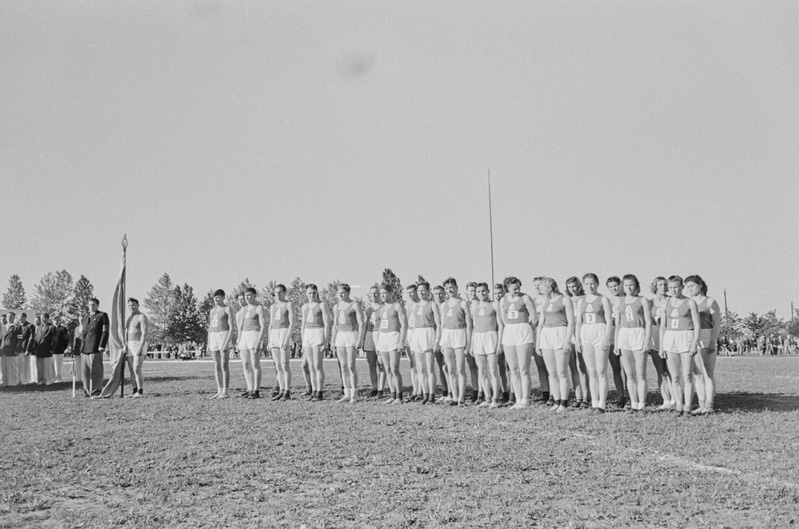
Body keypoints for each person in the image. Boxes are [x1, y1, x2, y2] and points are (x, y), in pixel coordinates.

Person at [659, 276, 701, 417]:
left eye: (676, 287)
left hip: (686, 337)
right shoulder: (665, 302)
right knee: (674, 376)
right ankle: (678, 405)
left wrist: (695, 342)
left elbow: (697, 325)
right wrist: (661, 346)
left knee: (687, 375)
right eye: (670, 287)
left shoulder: (690, 302)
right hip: (671, 338)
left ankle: (687, 407)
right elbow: (663, 326)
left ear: (681, 287)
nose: (673, 290)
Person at [575, 273, 614, 412]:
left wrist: (606, 338)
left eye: (592, 283)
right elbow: (579, 322)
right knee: (591, 371)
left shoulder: (603, 299)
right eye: (587, 284)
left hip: (600, 332)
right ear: (583, 285)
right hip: (586, 333)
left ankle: (602, 403)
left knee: (601, 371)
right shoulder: (580, 301)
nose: (590, 286)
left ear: (597, 284)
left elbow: (609, 321)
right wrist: (578, 339)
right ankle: (594, 402)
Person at [614, 275, 652, 412]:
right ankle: (633, 402)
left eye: (631, 285)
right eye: (626, 285)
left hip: (638, 334)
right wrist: (616, 343)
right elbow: (617, 323)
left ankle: (641, 404)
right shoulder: (619, 301)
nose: (629, 288)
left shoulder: (643, 300)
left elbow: (648, 322)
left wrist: (647, 341)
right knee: (629, 374)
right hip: (624, 335)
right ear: (622, 287)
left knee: (640, 373)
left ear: (636, 285)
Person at [536, 278, 574, 412]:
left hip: (560, 333)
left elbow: (571, 322)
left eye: (541, 287)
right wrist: (538, 342)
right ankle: (556, 401)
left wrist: (567, 340)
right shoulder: (545, 302)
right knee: (551, 372)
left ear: (550, 287)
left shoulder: (565, 300)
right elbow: (540, 323)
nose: (539, 290)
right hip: (547, 335)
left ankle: (564, 402)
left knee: (562, 371)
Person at [499, 277, 537, 409]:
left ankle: (525, 400)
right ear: (507, 288)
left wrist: (527, 329)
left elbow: (534, 317)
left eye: (518, 287)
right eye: (514, 288)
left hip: (523, 331)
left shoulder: (525, 298)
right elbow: (503, 318)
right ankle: (518, 399)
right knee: (513, 370)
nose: (517, 290)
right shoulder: (503, 300)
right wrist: (510, 328)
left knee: (523, 369)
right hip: (509, 331)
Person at [685, 275, 721, 415]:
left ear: (700, 285)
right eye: (687, 287)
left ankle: (709, 405)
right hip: (692, 338)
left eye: (692, 286)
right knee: (698, 374)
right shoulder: (688, 302)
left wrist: (712, 341)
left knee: (708, 373)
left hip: (707, 336)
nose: (690, 289)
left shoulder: (710, 301)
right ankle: (701, 404)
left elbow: (716, 324)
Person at [440, 278, 472, 406]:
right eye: (447, 288)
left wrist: (468, 343)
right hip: (447, 335)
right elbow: (442, 324)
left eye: (451, 287)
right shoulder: (443, 305)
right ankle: (454, 396)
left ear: (457, 287)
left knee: (460, 368)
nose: (450, 290)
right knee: (450, 368)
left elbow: (469, 324)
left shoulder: (463, 303)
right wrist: (441, 342)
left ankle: (461, 398)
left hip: (459, 334)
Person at [332, 283, 364, 404]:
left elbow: (361, 323)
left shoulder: (354, 304)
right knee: (343, 366)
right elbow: (335, 325)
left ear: (348, 293)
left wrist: (360, 339)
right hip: (340, 336)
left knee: (351, 365)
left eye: (343, 293)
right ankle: (346, 393)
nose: (341, 295)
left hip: (351, 334)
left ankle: (354, 393)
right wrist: (333, 340)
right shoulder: (336, 307)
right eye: (339, 293)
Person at [472, 282, 503, 408]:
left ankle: (496, 397)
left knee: (493, 370)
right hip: (478, 337)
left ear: (488, 291)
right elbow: (474, 326)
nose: (481, 293)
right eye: (478, 291)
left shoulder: (494, 305)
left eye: (483, 291)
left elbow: (500, 324)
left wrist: (499, 343)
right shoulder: (475, 306)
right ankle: (487, 397)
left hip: (491, 336)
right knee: (482, 370)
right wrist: (472, 344)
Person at [376, 283, 408, 404]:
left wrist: (401, 341)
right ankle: (392, 395)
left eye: (385, 293)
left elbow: (404, 324)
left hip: (394, 336)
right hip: (383, 337)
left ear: (390, 293)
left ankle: (399, 396)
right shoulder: (382, 308)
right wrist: (378, 341)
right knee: (387, 369)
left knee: (394, 368)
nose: (383, 296)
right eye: (381, 293)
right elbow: (380, 326)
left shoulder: (397, 306)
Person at [411, 281, 442, 404]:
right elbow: (414, 324)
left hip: (428, 333)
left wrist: (437, 341)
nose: (421, 293)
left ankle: (431, 395)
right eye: (419, 291)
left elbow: (439, 324)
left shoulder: (432, 304)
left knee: (430, 368)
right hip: (417, 334)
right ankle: (424, 394)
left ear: (428, 291)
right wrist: (413, 340)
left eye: (423, 290)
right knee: (420, 368)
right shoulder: (415, 306)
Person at [301, 284, 330, 401]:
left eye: (314, 293)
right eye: (309, 293)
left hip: (318, 332)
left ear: (317, 293)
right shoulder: (304, 306)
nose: (312, 295)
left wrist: (325, 340)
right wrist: (303, 340)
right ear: (306, 294)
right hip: (308, 334)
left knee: (318, 365)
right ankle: (313, 390)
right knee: (311, 365)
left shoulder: (322, 305)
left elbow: (327, 323)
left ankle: (320, 391)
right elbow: (303, 324)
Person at [649, 277, 673, 410]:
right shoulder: (650, 302)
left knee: (671, 371)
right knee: (661, 371)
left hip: (669, 334)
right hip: (655, 335)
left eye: (665, 284)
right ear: (655, 286)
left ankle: (675, 398)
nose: (663, 287)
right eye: (660, 284)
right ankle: (666, 400)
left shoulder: (671, 300)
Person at [238, 287, 266, 399]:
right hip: (244, 335)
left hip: (254, 334)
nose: (247, 297)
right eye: (246, 296)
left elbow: (263, 326)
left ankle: (256, 389)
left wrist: (259, 341)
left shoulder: (259, 308)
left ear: (254, 296)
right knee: (245, 364)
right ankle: (250, 388)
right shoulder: (243, 310)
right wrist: (239, 340)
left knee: (255, 364)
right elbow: (240, 326)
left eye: (250, 295)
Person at [565, 277, 589, 408]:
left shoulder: (584, 298)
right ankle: (578, 396)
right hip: (570, 335)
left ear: (579, 286)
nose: (572, 289)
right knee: (573, 367)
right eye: (569, 287)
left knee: (582, 368)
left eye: (574, 286)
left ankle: (586, 397)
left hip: (582, 335)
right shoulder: (566, 300)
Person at [268, 284, 295, 401]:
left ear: (284, 293)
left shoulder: (289, 305)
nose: (278, 295)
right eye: (276, 293)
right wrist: (269, 340)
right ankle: (281, 389)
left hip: (284, 333)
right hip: (274, 333)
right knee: (278, 365)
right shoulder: (273, 307)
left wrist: (287, 338)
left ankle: (287, 391)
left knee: (285, 364)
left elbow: (292, 323)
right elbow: (271, 324)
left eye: (280, 292)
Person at [606, 276, 629, 408]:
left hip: (624, 335)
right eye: (610, 287)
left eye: (615, 286)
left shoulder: (627, 299)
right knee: (616, 368)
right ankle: (621, 396)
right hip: (612, 336)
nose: (614, 289)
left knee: (628, 369)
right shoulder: (608, 301)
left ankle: (630, 394)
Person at [208, 289, 234, 399]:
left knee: (224, 364)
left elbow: (232, 327)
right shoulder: (212, 311)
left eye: (218, 297)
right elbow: (209, 328)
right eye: (214, 297)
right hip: (214, 335)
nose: (216, 299)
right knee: (216, 365)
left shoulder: (227, 309)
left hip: (223, 334)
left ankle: (225, 391)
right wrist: (208, 342)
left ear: (223, 297)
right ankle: (219, 390)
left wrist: (227, 342)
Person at [80, 298, 109, 397]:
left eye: (93, 305)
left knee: (96, 371)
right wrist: (81, 347)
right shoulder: (85, 318)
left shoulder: (102, 316)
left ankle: (96, 391)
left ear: (97, 305)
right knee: (85, 371)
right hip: (85, 348)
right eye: (90, 305)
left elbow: (105, 331)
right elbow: (83, 334)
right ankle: (87, 391)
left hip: (96, 346)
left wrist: (102, 345)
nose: (91, 307)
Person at [363, 285, 387, 398]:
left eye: (376, 293)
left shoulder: (384, 307)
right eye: (372, 293)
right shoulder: (368, 309)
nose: (374, 295)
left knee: (381, 364)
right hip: (369, 335)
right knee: (371, 364)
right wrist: (362, 340)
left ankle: (381, 389)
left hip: (381, 335)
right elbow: (364, 325)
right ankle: (374, 388)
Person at [530, 277, 551, 405]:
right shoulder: (533, 301)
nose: (538, 287)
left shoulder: (550, 299)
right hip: (536, 335)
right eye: (536, 285)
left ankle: (556, 393)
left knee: (551, 367)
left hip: (549, 333)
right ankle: (545, 393)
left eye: (540, 285)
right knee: (541, 367)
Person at [123, 298, 149, 397]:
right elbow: (126, 332)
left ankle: (140, 390)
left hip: (138, 343)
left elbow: (144, 333)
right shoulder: (129, 318)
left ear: (138, 305)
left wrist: (140, 347)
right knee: (131, 369)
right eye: (129, 305)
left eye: (133, 305)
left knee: (136, 368)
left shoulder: (141, 317)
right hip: (129, 344)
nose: (131, 307)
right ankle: (134, 390)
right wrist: (125, 344)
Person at [432, 285, 452, 401]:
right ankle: (445, 392)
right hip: (435, 338)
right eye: (436, 294)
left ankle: (451, 391)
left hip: (446, 338)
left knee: (448, 366)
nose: (438, 296)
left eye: (440, 293)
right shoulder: (432, 306)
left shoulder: (447, 306)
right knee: (441, 366)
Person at [404, 284, 422, 401]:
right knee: (412, 364)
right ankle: (415, 389)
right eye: (408, 293)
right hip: (409, 333)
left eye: (412, 292)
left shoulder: (421, 304)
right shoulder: (408, 305)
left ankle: (421, 389)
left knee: (420, 364)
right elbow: (405, 322)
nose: (411, 294)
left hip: (418, 333)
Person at [464, 281, 482, 402]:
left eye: (475, 290)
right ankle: (475, 390)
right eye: (471, 291)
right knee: (471, 366)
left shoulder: (480, 304)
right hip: (466, 335)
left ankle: (482, 391)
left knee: (480, 366)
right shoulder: (465, 304)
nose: (473, 293)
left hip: (478, 334)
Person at [493, 283, 510, 403]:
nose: (498, 295)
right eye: (495, 293)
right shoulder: (493, 305)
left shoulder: (506, 303)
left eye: (500, 293)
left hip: (508, 336)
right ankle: (504, 391)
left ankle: (513, 392)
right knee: (501, 367)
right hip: (496, 337)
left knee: (511, 367)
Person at [33, 313, 57, 385]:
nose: (43, 319)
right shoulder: (39, 327)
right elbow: (36, 339)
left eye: (44, 318)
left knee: (47, 366)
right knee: (39, 366)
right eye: (42, 318)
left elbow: (54, 340)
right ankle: (40, 380)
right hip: (39, 348)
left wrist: (52, 349)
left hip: (47, 349)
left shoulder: (52, 327)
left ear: (48, 318)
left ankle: (48, 380)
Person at [1, 313, 20, 386]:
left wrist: (17, 350)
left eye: (11, 317)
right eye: (8, 317)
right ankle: (5, 382)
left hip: (12, 350)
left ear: (14, 317)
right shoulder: (3, 327)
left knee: (12, 367)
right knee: (3, 367)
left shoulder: (17, 327)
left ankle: (13, 383)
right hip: (3, 350)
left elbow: (20, 340)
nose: (9, 318)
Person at [17, 313, 35, 384]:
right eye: (19, 318)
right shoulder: (18, 326)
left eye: (21, 317)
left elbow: (32, 338)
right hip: (18, 350)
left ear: (25, 317)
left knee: (25, 366)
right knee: (18, 365)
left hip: (25, 349)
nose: (20, 319)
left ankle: (25, 380)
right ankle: (18, 380)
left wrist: (28, 349)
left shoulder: (30, 326)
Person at [52, 315, 70, 383]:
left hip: (59, 349)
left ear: (60, 321)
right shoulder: (51, 328)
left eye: (57, 320)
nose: (56, 321)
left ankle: (59, 378)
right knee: (52, 365)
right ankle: (53, 378)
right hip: (52, 350)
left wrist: (63, 348)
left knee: (58, 365)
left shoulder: (63, 329)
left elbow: (66, 339)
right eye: (55, 320)